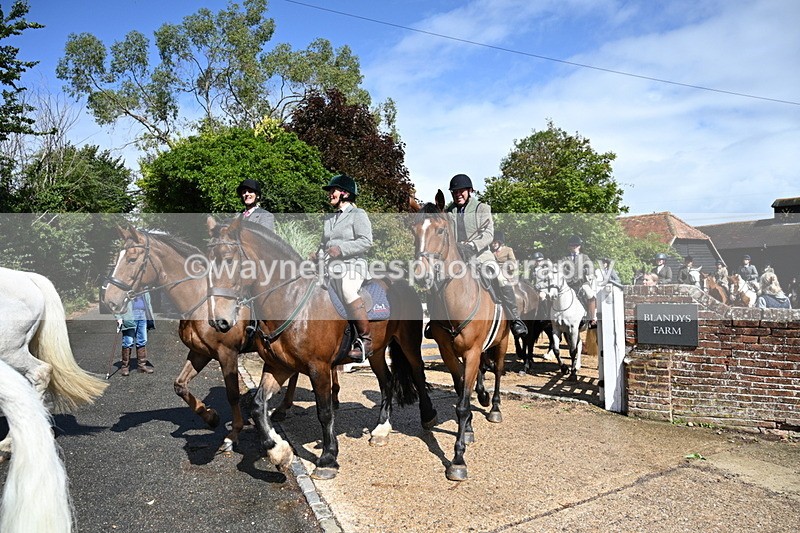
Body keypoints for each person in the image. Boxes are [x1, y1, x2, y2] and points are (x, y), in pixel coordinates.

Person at [445, 173, 527, 338]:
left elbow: (488, 234)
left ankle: (515, 319)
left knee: (500, 277)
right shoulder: (449, 212)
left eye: (461, 191)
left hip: (481, 256)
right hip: (457, 258)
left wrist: (473, 246)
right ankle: (436, 322)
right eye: (455, 192)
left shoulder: (482, 208)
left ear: (469, 191)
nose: (458, 194)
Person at [316, 174, 373, 363]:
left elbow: (366, 242)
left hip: (353, 265)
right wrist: (316, 253)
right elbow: (324, 244)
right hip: (330, 267)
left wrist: (341, 249)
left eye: (333, 190)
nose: (330, 194)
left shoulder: (358, 215)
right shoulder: (329, 219)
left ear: (345, 193)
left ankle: (366, 341)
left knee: (348, 290)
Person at [559, 235, 597, 327]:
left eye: (576, 245)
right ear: (569, 247)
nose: (574, 247)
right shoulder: (565, 258)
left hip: (582, 283)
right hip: (569, 284)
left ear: (579, 246)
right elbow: (561, 269)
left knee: (590, 295)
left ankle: (591, 318)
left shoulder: (584, 257)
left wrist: (588, 272)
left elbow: (590, 266)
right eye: (572, 246)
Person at [115, 293, 155, 375]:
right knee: (128, 341)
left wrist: (150, 317)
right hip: (129, 315)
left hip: (143, 315)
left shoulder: (144, 288)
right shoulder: (126, 287)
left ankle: (141, 366)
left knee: (142, 340)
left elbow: (148, 303)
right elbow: (117, 303)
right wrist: (118, 317)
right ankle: (125, 367)